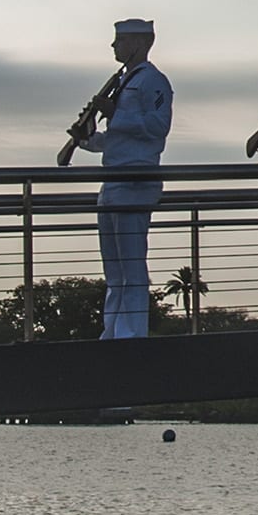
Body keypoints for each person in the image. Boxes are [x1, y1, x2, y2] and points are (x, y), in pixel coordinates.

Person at [81, 18, 172, 339]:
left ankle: (131, 332)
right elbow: (118, 138)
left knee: (132, 266)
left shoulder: (154, 82)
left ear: (137, 43)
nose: (114, 46)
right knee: (114, 270)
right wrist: (87, 139)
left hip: (136, 182)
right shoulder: (125, 81)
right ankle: (113, 329)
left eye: (120, 40)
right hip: (113, 182)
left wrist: (116, 112)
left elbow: (157, 126)